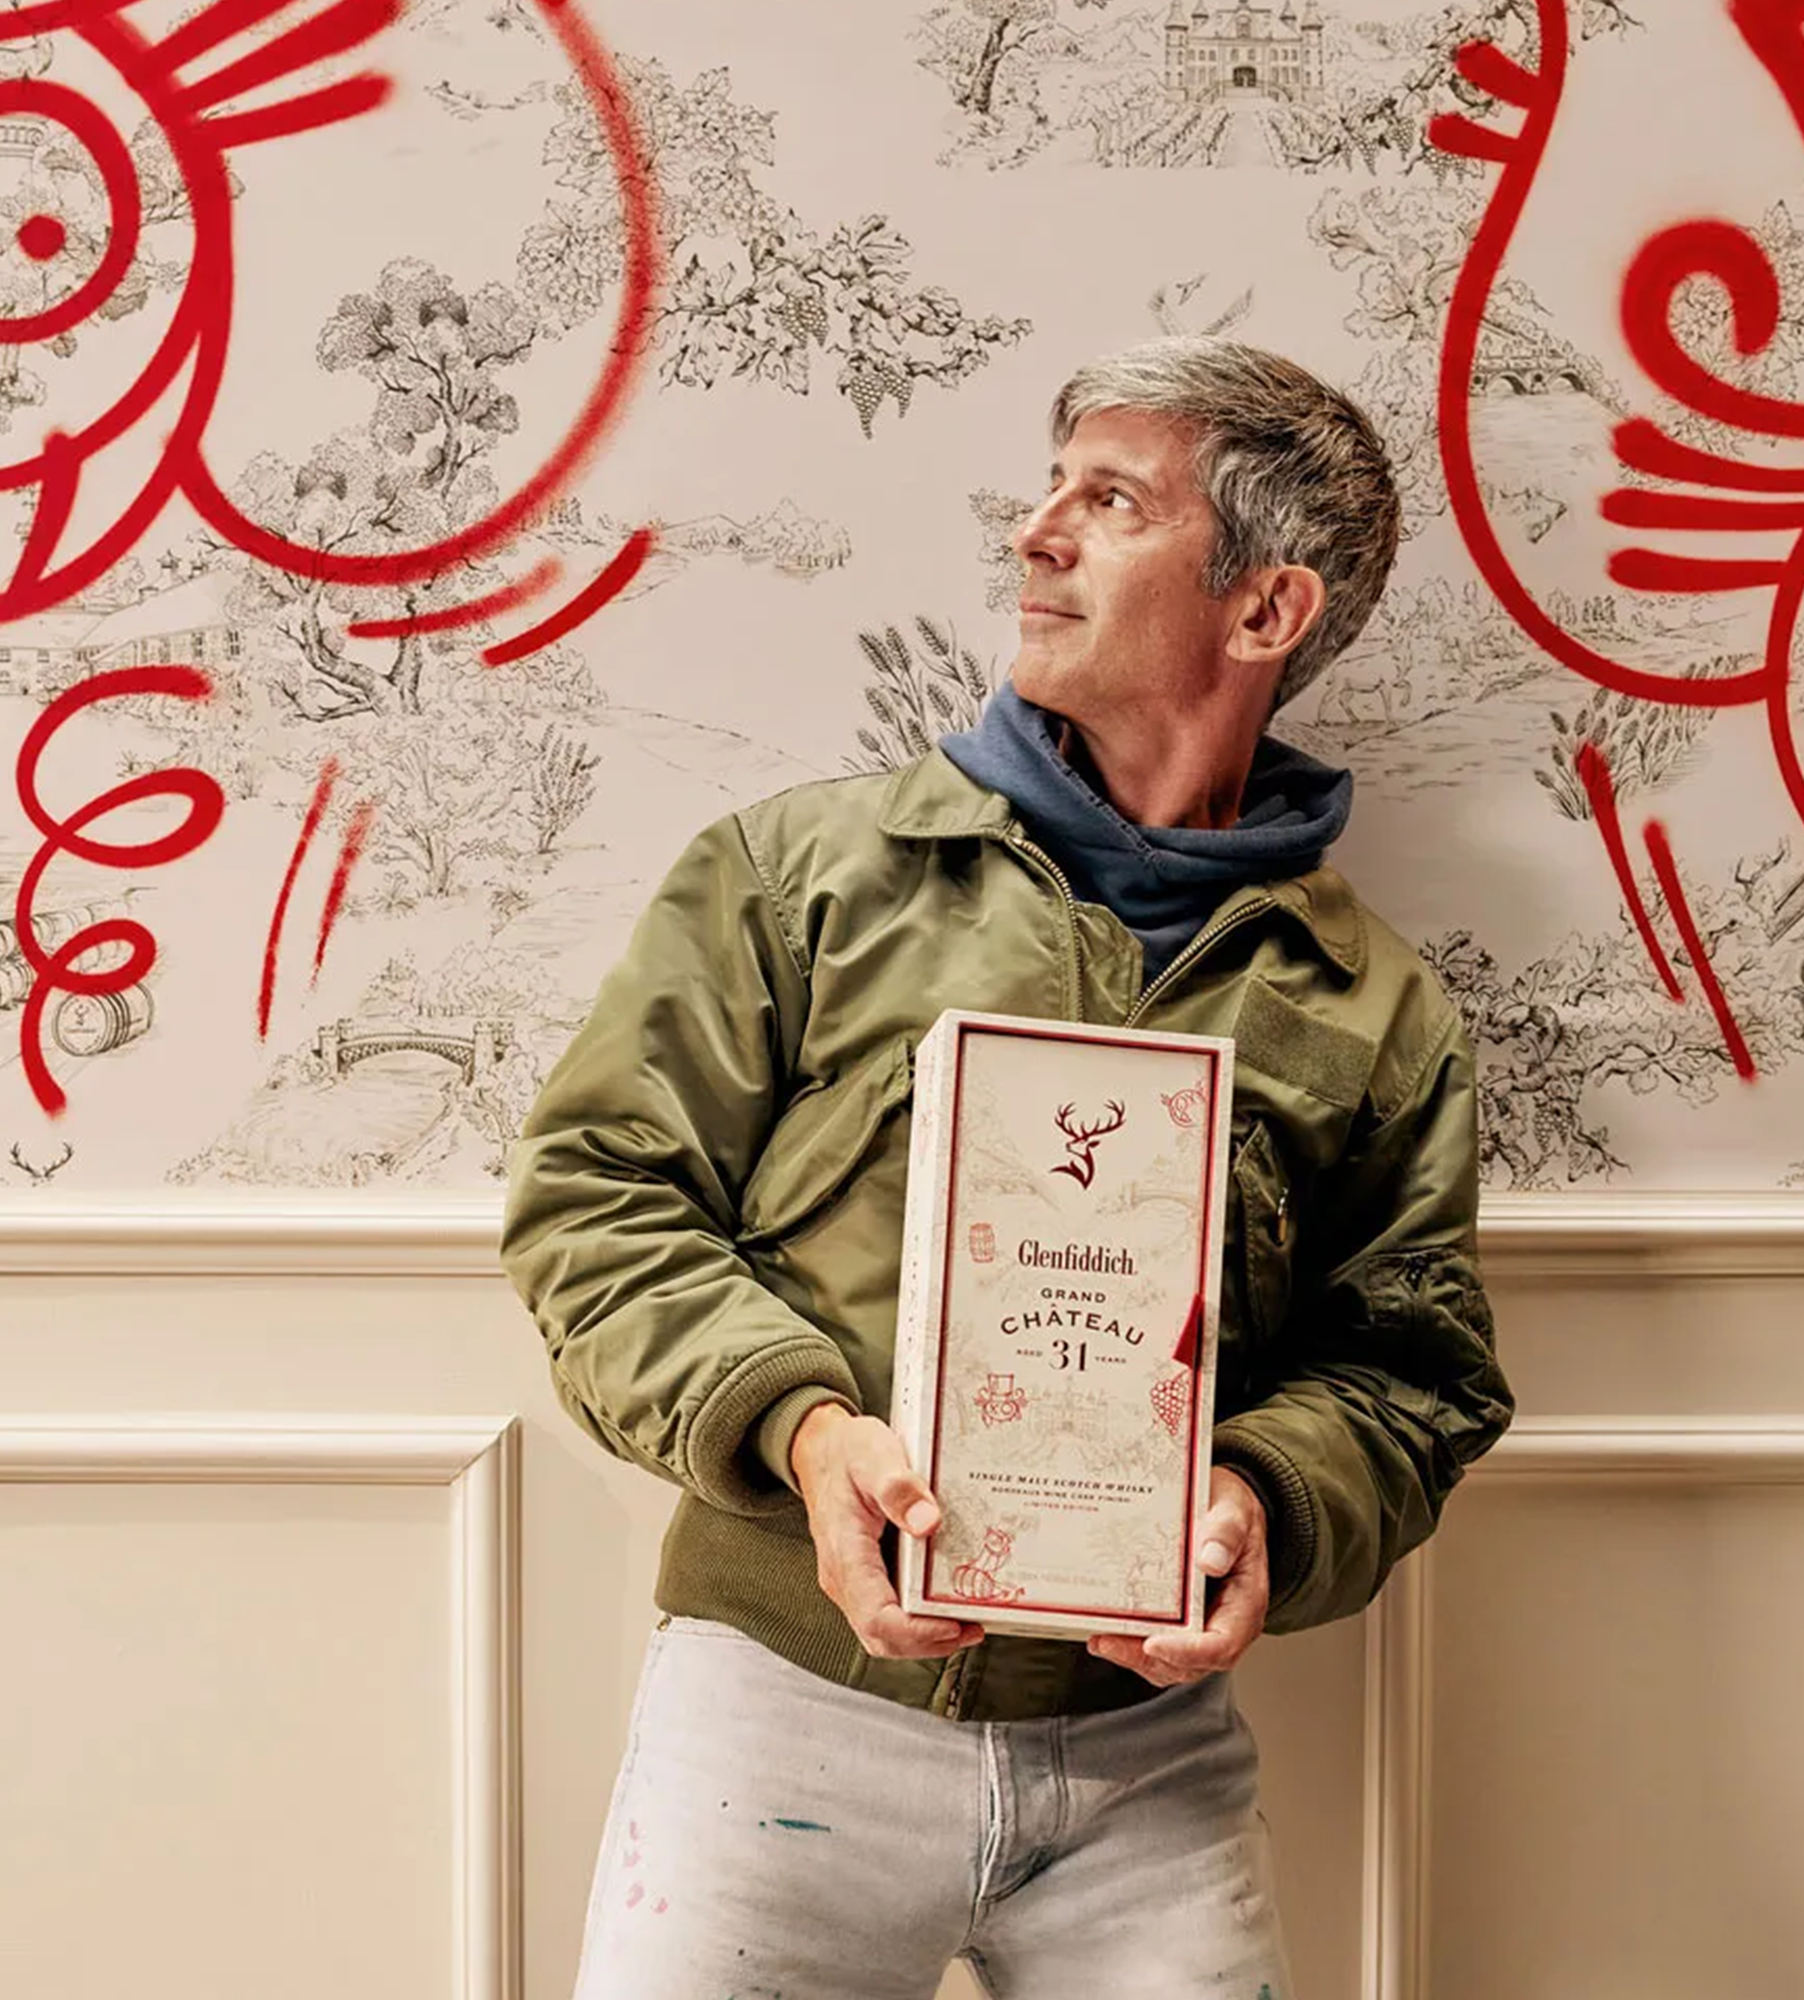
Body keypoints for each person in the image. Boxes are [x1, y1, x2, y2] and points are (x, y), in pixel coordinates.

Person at [501, 337, 1514, 1999]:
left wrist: (1266, 1499)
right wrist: (803, 1435)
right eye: (1049, 490)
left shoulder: (1377, 1007)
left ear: (1265, 612)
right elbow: (595, 1208)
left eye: (1108, 501)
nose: (1034, 533)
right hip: (777, 1725)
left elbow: (1414, 1372)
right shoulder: (793, 878)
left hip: (1153, 1768)